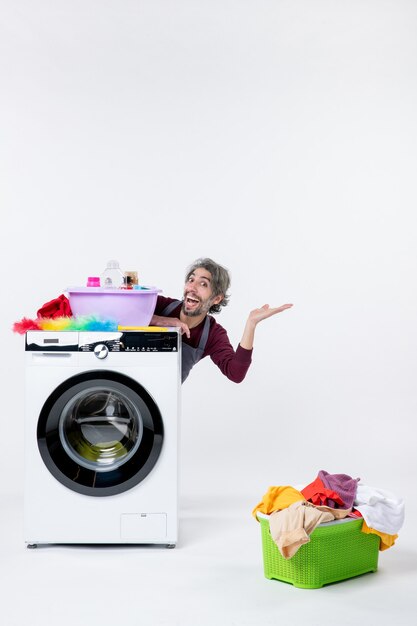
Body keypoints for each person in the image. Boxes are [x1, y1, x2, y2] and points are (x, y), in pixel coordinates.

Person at [150, 258, 293, 383]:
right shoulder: (161, 305)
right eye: (191, 280)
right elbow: (126, 312)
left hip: (161, 401)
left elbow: (236, 374)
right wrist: (158, 320)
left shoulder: (212, 334)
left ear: (217, 299)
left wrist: (251, 324)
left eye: (203, 284)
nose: (192, 287)